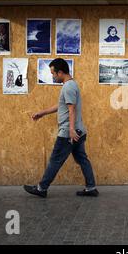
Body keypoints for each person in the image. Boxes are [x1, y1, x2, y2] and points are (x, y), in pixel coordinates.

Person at [23, 58, 98, 198]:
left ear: (61, 72)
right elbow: (62, 106)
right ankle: (91, 187)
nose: (53, 77)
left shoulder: (68, 86)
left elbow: (71, 109)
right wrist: (42, 113)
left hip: (69, 133)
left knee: (55, 160)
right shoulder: (71, 85)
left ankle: (42, 188)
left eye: (53, 74)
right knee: (82, 159)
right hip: (79, 131)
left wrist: (70, 130)